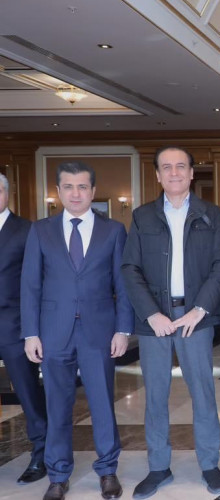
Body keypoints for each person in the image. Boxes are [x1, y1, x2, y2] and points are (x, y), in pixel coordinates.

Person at [121, 146, 220, 499]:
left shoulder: (210, 214)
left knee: (203, 393)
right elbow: (130, 268)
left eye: (180, 166)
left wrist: (200, 309)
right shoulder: (142, 216)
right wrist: (151, 313)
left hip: (195, 319)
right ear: (157, 175)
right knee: (155, 396)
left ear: (191, 173)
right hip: (154, 321)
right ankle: (158, 467)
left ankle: (209, 464)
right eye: (166, 167)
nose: (174, 173)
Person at [21, 162, 133, 500]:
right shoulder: (40, 231)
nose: (75, 193)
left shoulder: (113, 230)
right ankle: (58, 475)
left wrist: (122, 329)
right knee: (57, 406)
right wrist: (31, 333)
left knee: (102, 404)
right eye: (68, 186)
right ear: (58, 191)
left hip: (99, 331)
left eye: (82, 186)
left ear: (93, 191)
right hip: (53, 332)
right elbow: (30, 285)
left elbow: (123, 285)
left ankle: (108, 471)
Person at [0, 173, 49, 487]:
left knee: (28, 392)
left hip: (14, 325)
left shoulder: (27, 230)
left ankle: (41, 454)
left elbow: (38, 282)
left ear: (7, 194)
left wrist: (35, 329)